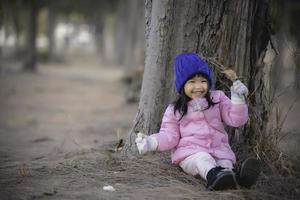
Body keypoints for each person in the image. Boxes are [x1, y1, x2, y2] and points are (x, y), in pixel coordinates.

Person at [135, 52, 260, 191]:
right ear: (182, 85)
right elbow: (169, 136)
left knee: (225, 162)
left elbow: (236, 120)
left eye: (203, 81)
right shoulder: (175, 110)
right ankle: (213, 176)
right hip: (190, 154)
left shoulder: (218, 98)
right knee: (203, 159)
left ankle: (237, 177)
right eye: (192, 82)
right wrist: (151, 142)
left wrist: (238, 100)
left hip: (219, 150)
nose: (198, 86)